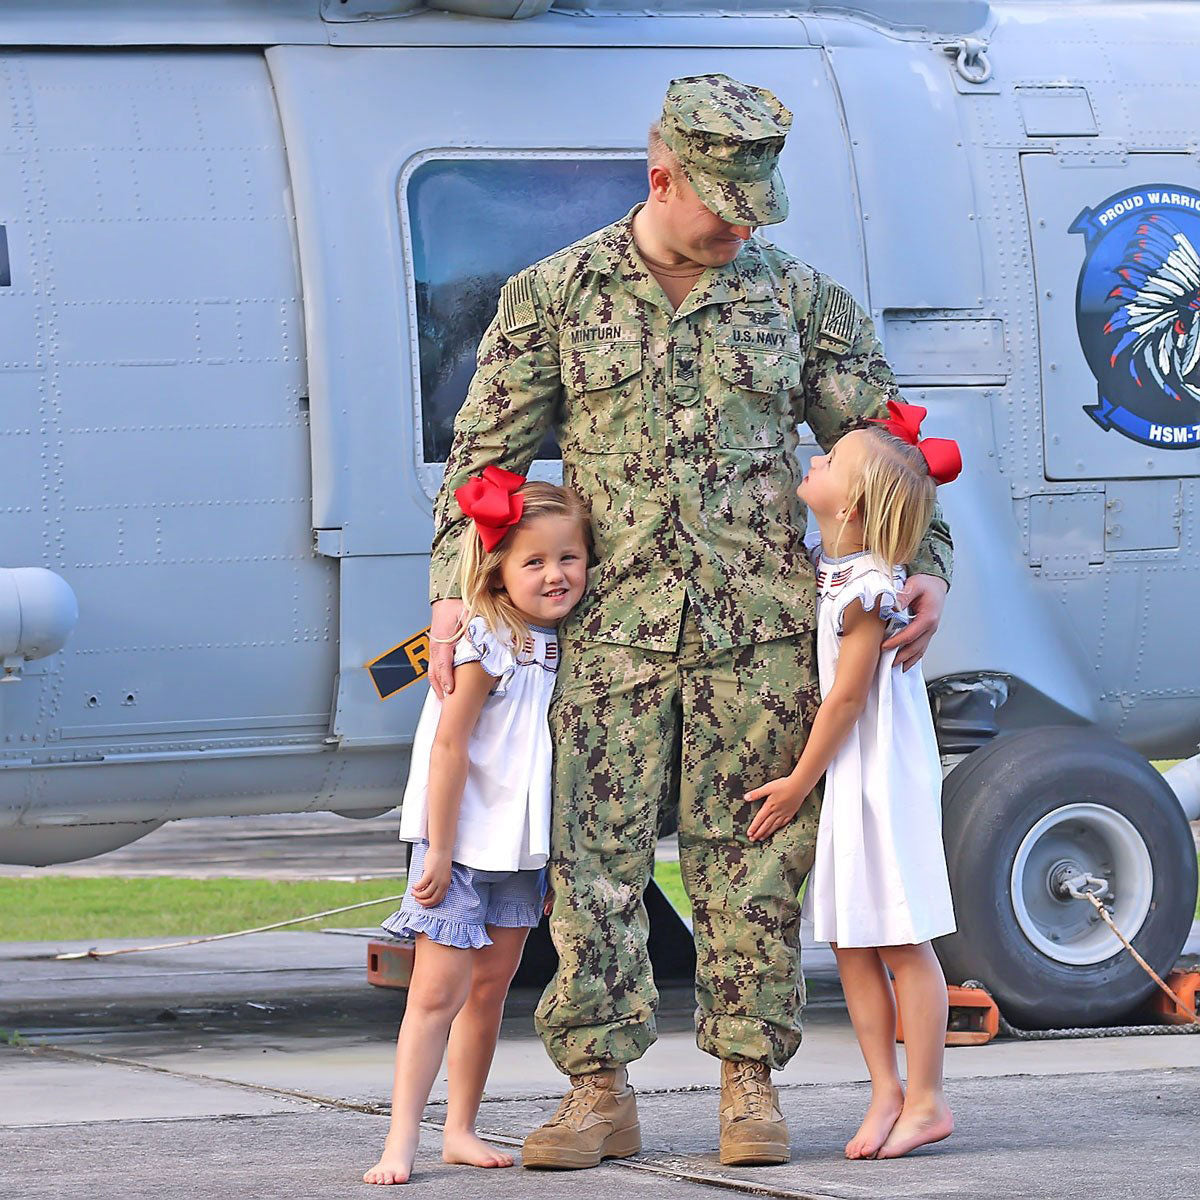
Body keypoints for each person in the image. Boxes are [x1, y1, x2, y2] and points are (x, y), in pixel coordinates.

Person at [426, 73, 954, 1169]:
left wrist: (927, 567)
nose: (742, 228)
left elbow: (886, 445)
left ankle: (749, 1088)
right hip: (611, 634)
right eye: (724, 206)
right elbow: (486, 462)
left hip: (759, 638)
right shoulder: (555, 296)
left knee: (750, 863)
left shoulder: (803, 301)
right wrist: (451, 590)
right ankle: (598, 1092)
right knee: (595, 865)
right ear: (661, 175)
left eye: (759, 206)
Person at [746, 401, 961, 1160]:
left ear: (857, 502)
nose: (815, 460)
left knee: (902, 940)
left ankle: (929, 1097)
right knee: (850, 940)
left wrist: (800, 780)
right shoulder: (832, 563)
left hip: (878, 771)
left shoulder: (871, 588)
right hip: (853, 773)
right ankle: (885, 1092)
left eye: (831, 460)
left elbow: (847, 698)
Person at [364, 470, 590, 1186]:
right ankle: (401, 1138)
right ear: (496, 569)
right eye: (534, 562)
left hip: (518, 849)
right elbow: (449, 747)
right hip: (459, 845)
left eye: (568, 557)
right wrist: (438, 848)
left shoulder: (565, 643)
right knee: (436, 994)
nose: (555, 575)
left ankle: (460, 1127)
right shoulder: (486, 640)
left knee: (490, 992)